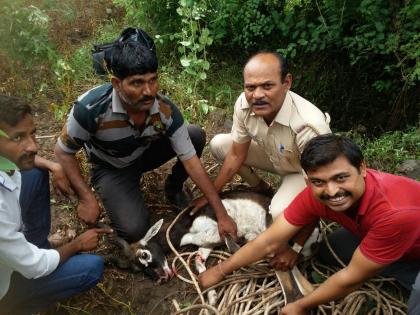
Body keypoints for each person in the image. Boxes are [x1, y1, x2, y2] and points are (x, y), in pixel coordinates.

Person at [198, 134, 420, 315]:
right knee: (327, 253)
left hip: (399, 228)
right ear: (309, 180)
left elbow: (351, 278)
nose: (332, 191)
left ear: (362, 168)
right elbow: (270, 240)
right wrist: (220, 270)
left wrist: (301, 305)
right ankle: (389, 260)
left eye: (341, 178)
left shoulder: (393, 213)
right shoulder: (316, 194)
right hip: (387, 233)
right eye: (319, 182)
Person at [54, 27, 237, 243]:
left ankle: (173, 187)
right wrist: (86, 198)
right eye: (137, 83)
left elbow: (192, 163)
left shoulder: (165, 110)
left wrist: (221, 213)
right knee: (134, 230)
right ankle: (122, 192)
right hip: (111, 168)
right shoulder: (90, 109)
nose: (149, 91)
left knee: (194, 134)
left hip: (143, 154)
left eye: (153, 80)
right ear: (117, 84)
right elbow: (63, 151)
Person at [192, 51, 331, 267]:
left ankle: (285, 205)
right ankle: (261, 189)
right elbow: (237, 154)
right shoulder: (244, 104)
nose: (257, 95)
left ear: (287, 83)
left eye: (267, 86)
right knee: (220, 145)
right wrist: (212, 195)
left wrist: (294, 247)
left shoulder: (309, 127)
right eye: (250, 87)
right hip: (275, 155)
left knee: (278, 213)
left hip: (301, 172)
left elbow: (319, 193)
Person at [0, 94, 112, 314]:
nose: (33, 146)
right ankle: (17, 306)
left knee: (34, 171)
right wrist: (77, 245)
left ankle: (39, 245)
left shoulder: (8, 164)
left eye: (32, 134)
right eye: (17, 138)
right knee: (91, 268)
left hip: (10, 252)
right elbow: (34, 266)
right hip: (6, 282)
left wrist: (54, 166)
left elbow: (31, 161)